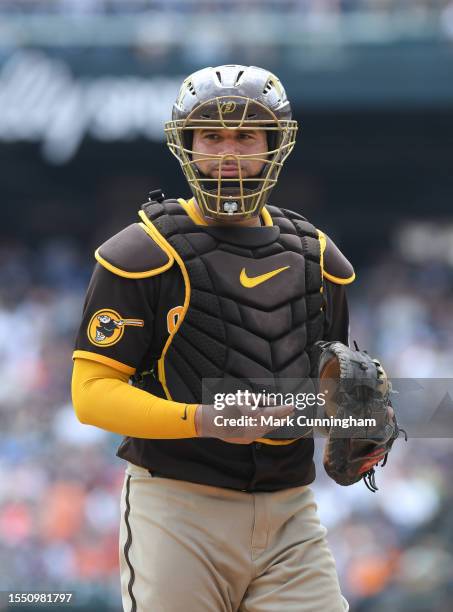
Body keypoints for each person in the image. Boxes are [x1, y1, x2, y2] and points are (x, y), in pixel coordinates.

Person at [71, 65, 358, 611]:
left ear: (274, 145)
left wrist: (360, 421)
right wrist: (203, 419)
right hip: (179, 507)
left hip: (291, 513)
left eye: (246, 135)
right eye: (212, 136)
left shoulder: (319, 257)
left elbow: (329, 390)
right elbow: (90, 393)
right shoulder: (141, 253)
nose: (229, 152)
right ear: (188, 145)